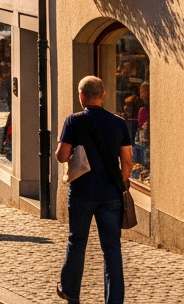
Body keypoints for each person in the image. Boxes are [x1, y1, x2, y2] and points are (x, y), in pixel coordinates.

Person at [56, 76, 133, 304]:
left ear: (82, 96)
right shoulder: (118, 123)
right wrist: (120, 180)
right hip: (110, 194)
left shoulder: (74, 121)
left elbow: (61, 156)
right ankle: (114, 300)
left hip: (82, 193)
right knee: (112, 248)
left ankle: (71, 292)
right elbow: (127, 162)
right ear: (103, 95)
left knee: (77, 241)